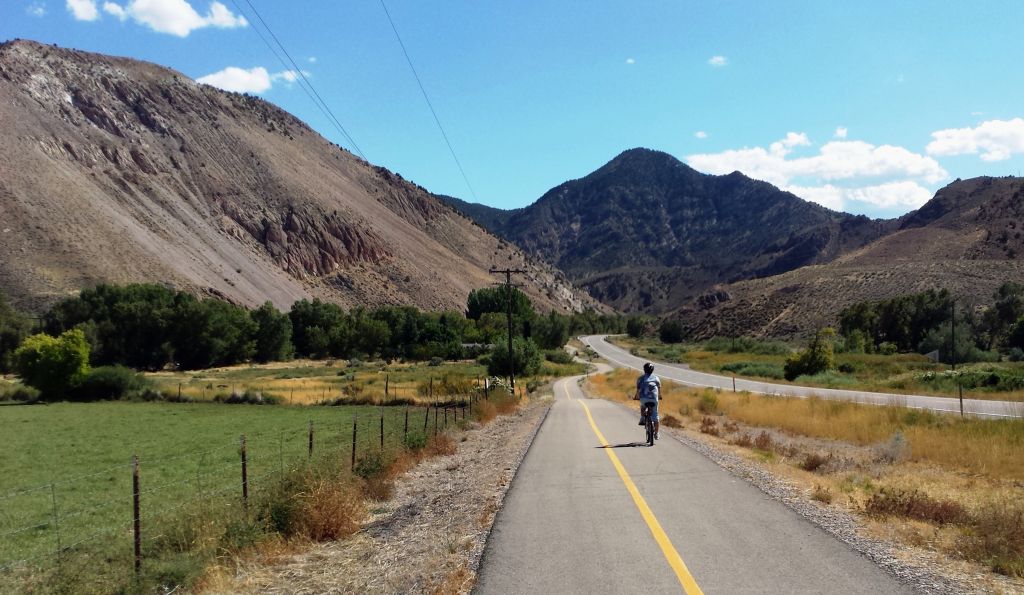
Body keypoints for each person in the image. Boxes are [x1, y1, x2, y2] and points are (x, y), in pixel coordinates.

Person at [634, 362, 661, 440]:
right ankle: (656, 433)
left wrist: (636, 396)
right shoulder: (656, 378)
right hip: (654, 399)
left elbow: (638, 390)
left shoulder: (640, 378)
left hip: (644, 398)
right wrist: (659, 396)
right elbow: (659, 388)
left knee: (643, 406)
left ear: (644, 370)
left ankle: (642, 418)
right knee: (655, 416)